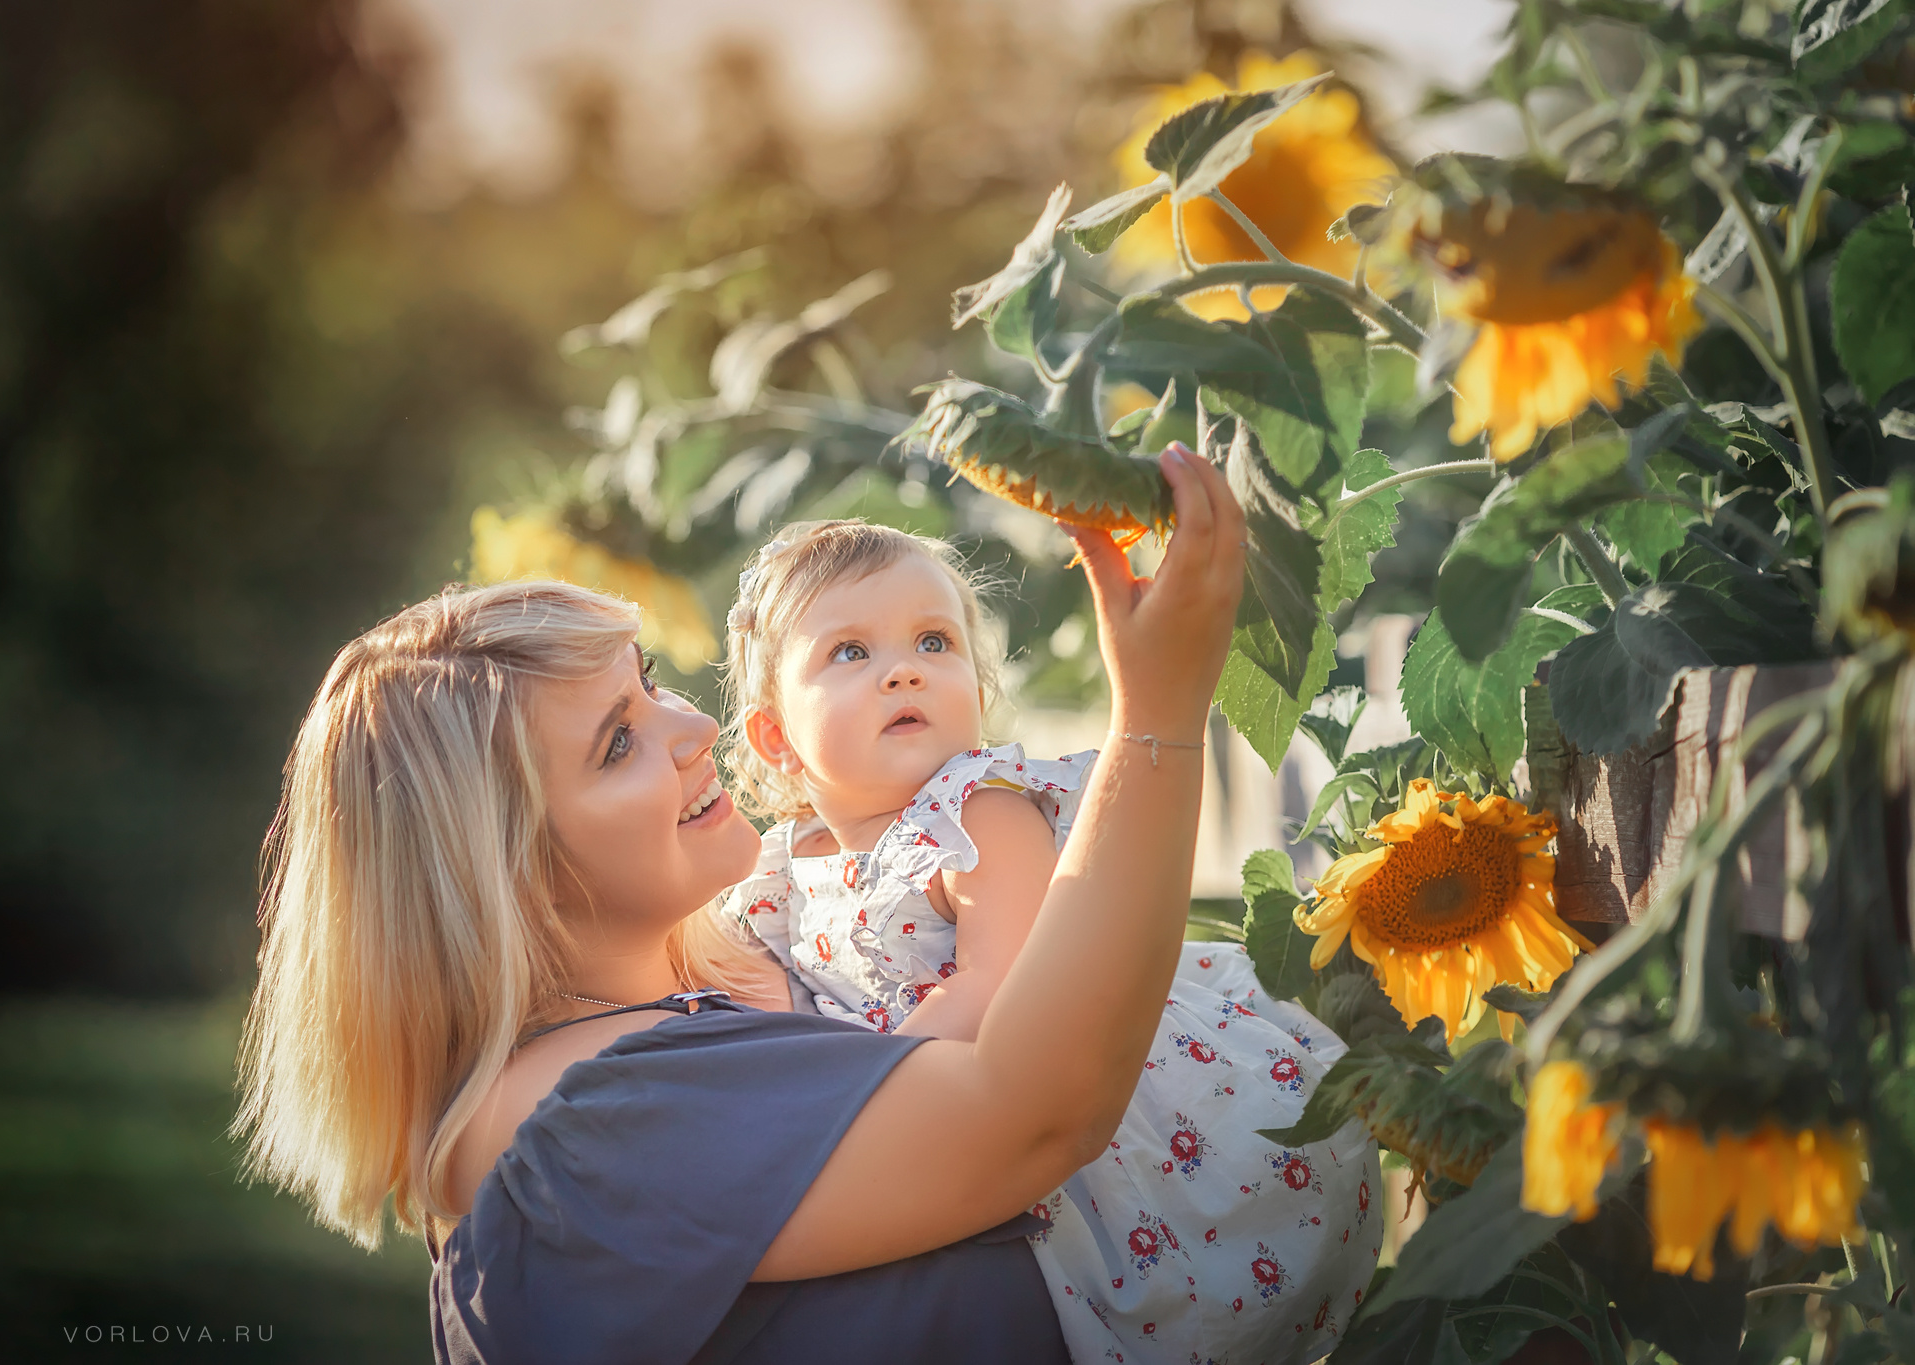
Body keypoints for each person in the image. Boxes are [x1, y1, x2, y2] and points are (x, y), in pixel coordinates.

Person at [232, 446, 1246, 1364]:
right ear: (507, 876)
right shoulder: (585, 1122)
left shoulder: (734, 977)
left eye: (651, 683)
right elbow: (1036, 1117)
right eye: (619, 742)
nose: (695, 725)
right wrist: (1157, 718)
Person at [717, 518, 1380, 1364]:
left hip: (1102, 1117)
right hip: (948, 1116)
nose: (904, 668)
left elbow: (1001, 985)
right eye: (850, 652)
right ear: (777, 736)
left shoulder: (976, 811)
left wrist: (847, 1107)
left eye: (933, 639)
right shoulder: (783, 869)